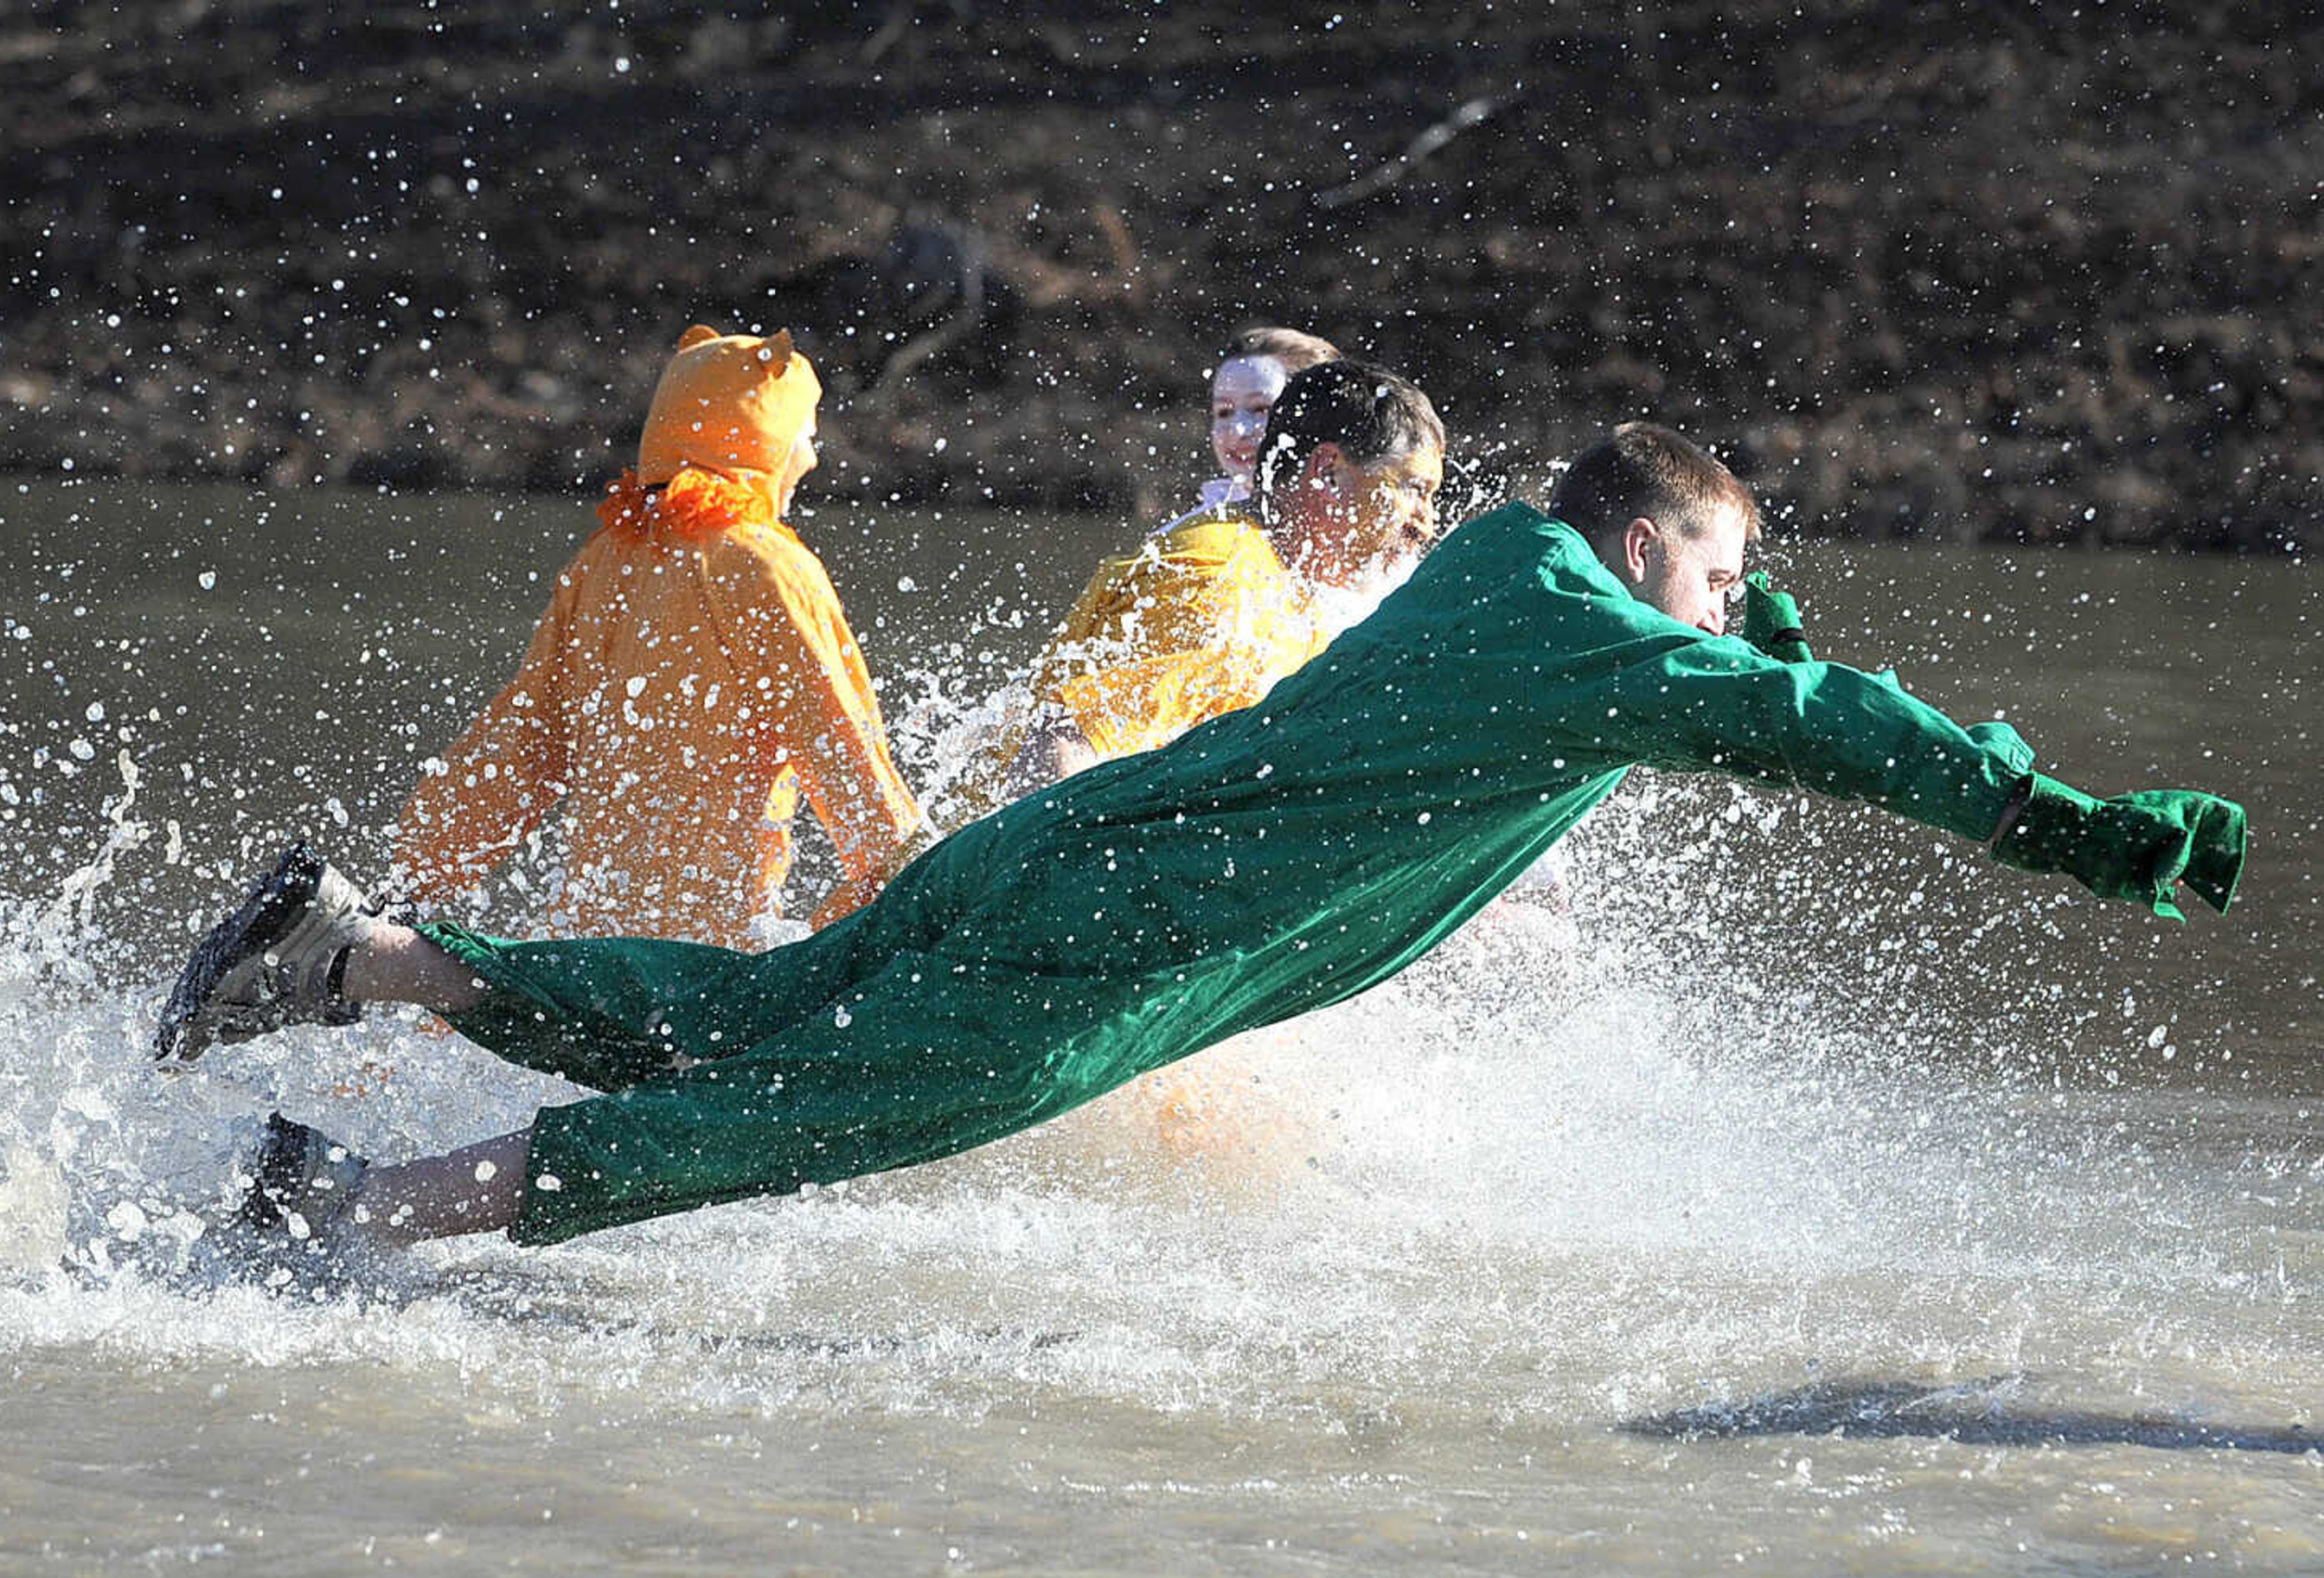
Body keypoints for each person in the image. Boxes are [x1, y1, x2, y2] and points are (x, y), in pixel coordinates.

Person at [152, 423, 2245, 1285]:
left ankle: (371, 951)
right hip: (1140, 941)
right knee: (822, 1112)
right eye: (1720, 564)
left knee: (769, 1009)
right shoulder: (1622, 651)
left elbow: (1752, 683)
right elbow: (1817, 726)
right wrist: (2058, 822)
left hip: (1067, 841)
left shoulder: (1505, 558)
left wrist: (1755, 628)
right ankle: (346, 1206)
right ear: (1646, 546)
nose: (1727, 604)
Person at [392, 324, 928, 948]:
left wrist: (411, 885)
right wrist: (924, 894)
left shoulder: (602, 560)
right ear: (764, 439)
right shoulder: (767, 567)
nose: (812, 456)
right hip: (710, 959)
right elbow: (844, 751)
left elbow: (518, 751)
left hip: (587, 947)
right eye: (806, 433)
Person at [962, 358, 1446, 811]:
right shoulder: (1221, 583)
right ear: (1327, 471)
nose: (1426, 523)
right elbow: (1055, 750)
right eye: (1413, 491)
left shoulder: (1288, 578)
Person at [1184, 325, 1342, 517]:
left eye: (1261, 409)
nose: (1238, 430)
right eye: (1224, 412)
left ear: (1317, 414)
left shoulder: (1368, 521)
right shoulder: (1192, 535)